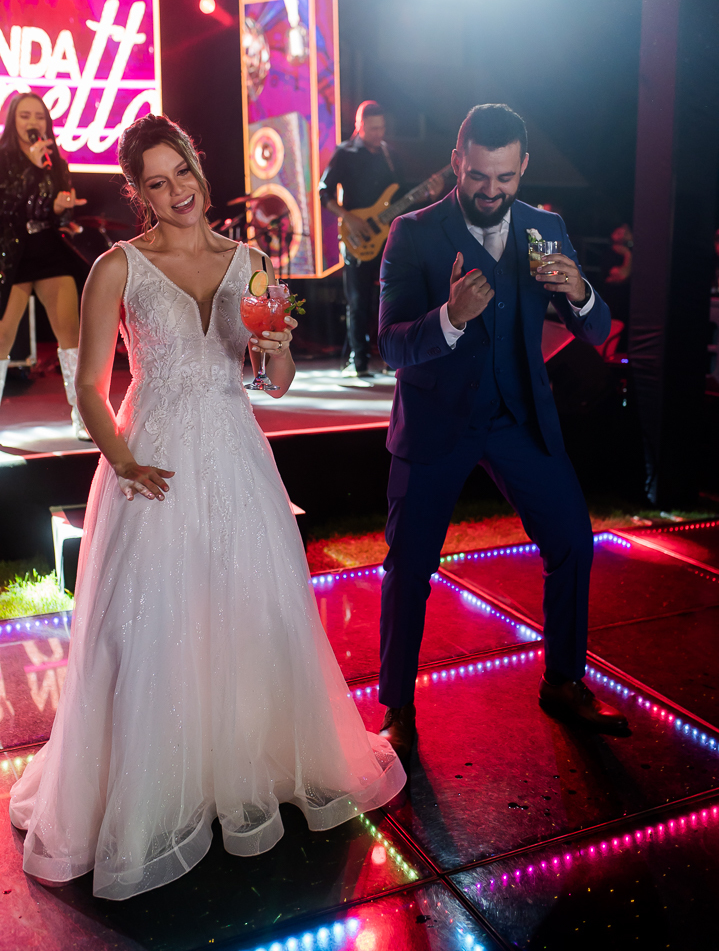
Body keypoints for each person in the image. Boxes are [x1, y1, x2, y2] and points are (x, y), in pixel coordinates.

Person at [9, 114, 405, 899]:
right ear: (138, 192)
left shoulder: (251, 263)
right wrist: (125, 462)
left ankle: (242, 765)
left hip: (232, 453)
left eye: (182, 172)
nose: (176, 191)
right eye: (156, 183)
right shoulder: (117, 269)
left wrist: (277, 348)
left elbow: (275, 381)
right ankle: (157, 784)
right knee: (149, 625)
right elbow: (88, 385)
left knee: (251, 611)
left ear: (197, 164)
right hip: (149, 460)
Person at [376, 103, 628, 762]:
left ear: (523, 168)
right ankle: (397, 707)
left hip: (518, 418)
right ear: (457, 163)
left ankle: (563, 682)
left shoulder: (546, 228)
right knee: (409, 567)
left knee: (572, 542)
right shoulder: (411, 234)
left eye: (505, 177)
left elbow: (598, 330)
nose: (492, 190)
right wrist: (450, 317)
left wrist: (580, 293)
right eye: (479, 176)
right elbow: (390, 345)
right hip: (435, 422)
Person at [319, 100, 444, 377]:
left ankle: (392, 358)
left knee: (392, 298)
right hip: (357, 235)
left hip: (387, 238)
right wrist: (348, 217)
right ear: (359, 126)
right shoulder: (345, 153)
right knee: (358, 301)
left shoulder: (390, 156)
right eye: (373, 128)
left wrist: (428, 195)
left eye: (382, 127)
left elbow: (402, 199)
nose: (379, 133)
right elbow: (323, 192)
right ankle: (359, 362)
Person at [0, 92, 89, 439]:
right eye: (25, 116)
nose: (33, 122)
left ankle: (82, 415)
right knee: (3, 334)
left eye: (38, 116)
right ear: (13, 121)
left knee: (70, 332)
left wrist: (62, 208)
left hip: (48, 249)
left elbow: (59, 215)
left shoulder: (56, 163)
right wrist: (34, 168)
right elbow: (8, 206)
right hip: (13, 253)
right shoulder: (4, 160)